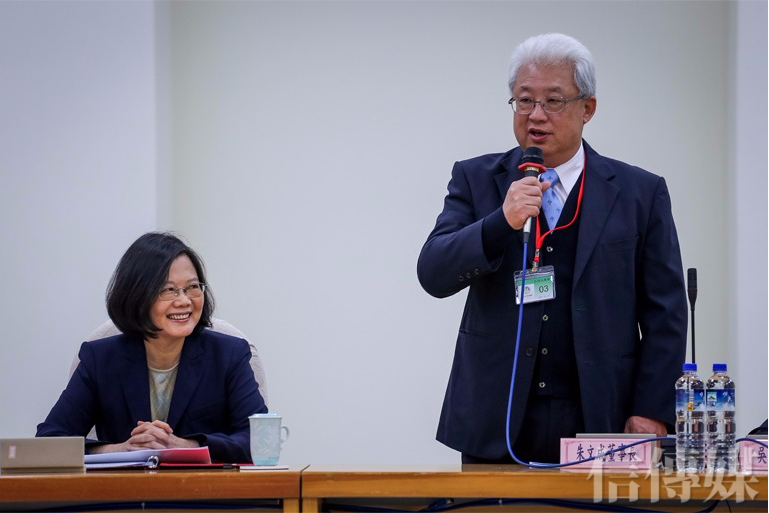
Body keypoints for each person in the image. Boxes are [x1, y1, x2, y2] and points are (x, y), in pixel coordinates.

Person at [417, 33, 687, 464]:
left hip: (602, 412)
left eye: (553, 101)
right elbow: (433, 272)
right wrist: (500, 222)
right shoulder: (476, 179)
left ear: (588, 108)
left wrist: (652, 408)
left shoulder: (640, 192)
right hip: (497, 415)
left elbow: (665, 311)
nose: (536, 115)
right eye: (524, 100)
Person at [37, 232, 267, 463]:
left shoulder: (229, 355)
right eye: (168, 290)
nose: (184, 301)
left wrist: (187, 446)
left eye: (192, 287)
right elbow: (49, 441)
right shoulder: (100, 360)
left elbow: (260, 442)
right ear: (137, 295)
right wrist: (120, 450)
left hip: (203, 486)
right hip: (125, 486)